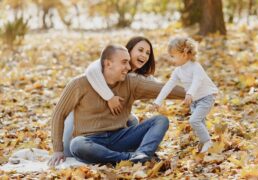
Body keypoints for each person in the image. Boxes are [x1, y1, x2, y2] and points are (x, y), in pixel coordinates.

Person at [48, 44, 185, 166]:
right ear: (108, 64)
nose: (129, 67)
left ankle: (142, 154)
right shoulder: (79, 84)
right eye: (124, 62)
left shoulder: (131, 82)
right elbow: (58, 114)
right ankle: (132, 158)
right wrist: (58, 150)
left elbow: (162, 88)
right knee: (77, 144)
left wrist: (194, 93)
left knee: (160, 120)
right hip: (91, 141)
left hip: (121, 137)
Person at [63, 36, 158, 157]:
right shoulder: (113, 62)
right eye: (140, 50)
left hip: (110, 118)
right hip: (85, 111)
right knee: (67, 152)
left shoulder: (139, 76)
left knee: (133, 120)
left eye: (147, 53)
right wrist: (109, 97)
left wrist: (188, 91)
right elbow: (91, 70)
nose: (144, 55)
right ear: (129, 50)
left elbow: (158, 86)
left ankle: (129, 152)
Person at [153, 37, 218, 153]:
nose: (172, 59)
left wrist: (190, 93)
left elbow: (197, 81)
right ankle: (205, 143)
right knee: (199, 121)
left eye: (173, 56)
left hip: (207, 96)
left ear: (183, 53)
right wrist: (158, 101)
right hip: (195, 100)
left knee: (194, 120)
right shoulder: (178, 71)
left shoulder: (195, 66)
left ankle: (208, 142)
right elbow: (168, 85)